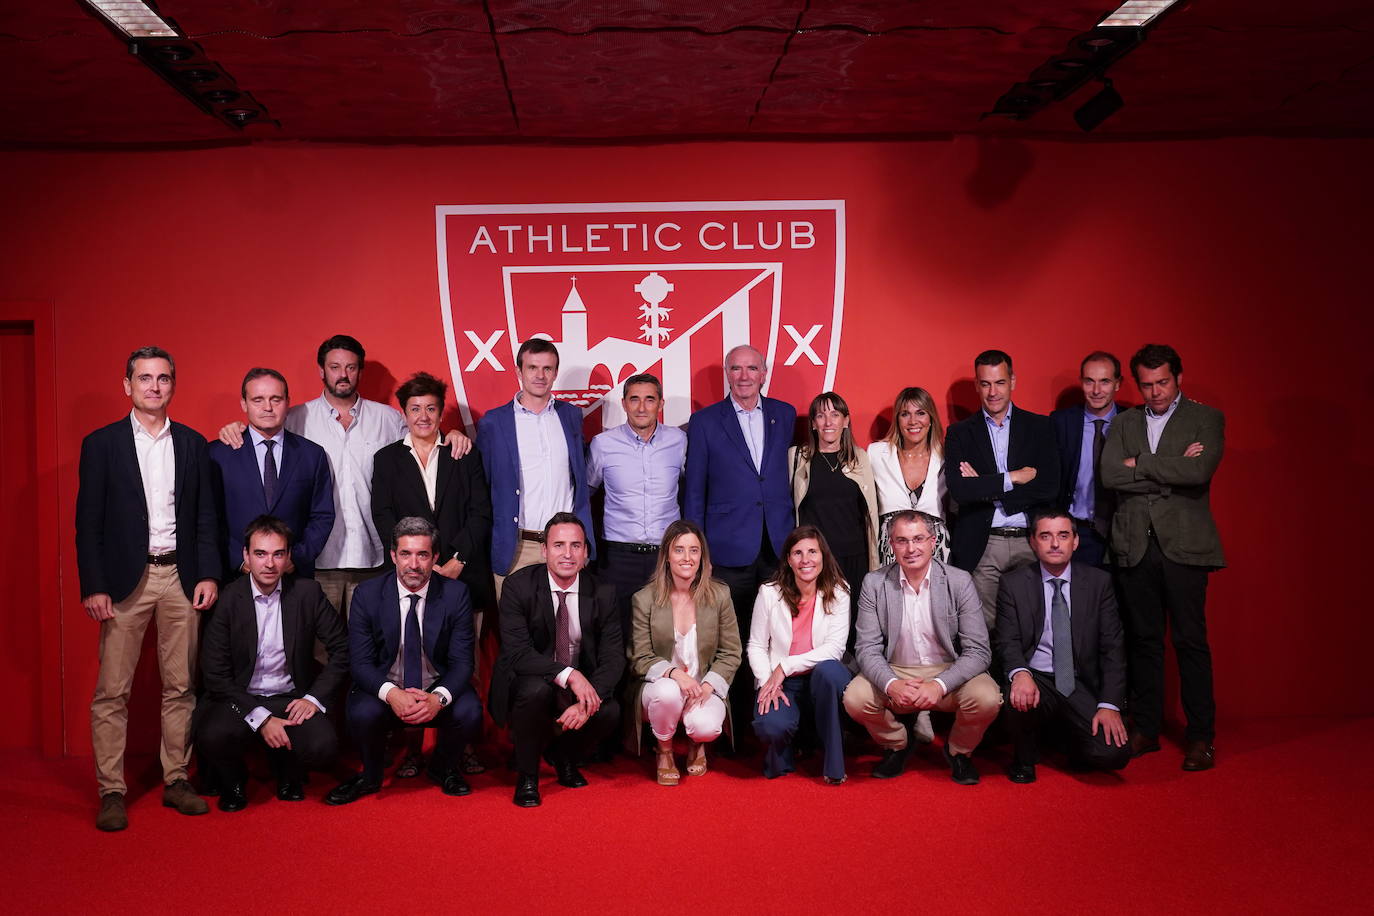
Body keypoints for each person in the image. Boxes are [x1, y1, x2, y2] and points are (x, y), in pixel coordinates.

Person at [215, 335, 472, 617]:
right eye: (335, 367)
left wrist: (453, 435)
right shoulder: (294, 417)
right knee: (320, 649)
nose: (343, 375)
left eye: (351, 367)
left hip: (376, 556)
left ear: (360, 371)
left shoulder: (388, 419)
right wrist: (235, 428)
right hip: (317, 561)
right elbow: (262, 429)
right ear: (321, 371)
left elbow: (423, 445)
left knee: (372, 645)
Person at [77, 346, 221, 831]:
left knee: (180, 686)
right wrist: (94, 585)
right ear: (128, 386)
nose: (154, 387)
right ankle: (111, 791)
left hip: (180, 577)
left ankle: (176, 779)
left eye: (163, 379)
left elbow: (205, 517)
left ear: (172, 386)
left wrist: (206, 574)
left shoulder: (193, 444)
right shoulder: (102, 445)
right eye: (144, 378)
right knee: (112, 692)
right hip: (123, 583)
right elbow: (88, 523)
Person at [1101, 344, 1225, 771]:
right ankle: (1146, 729)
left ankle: (1201, 736)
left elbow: (1198, 472)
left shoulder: (1206, 419)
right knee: (1143, 642)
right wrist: (1168, 466)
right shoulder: (1124, 421)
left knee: (1190, 641)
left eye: (1163, 382)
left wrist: (1142, 464)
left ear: (1179, 378)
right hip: (1134, 544)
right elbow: (1110, 475)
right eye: (1147, 384)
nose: (1154, 392)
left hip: (1185, 546)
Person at [325, 517, 482, 804]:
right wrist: (393, 694)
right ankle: (370, 777)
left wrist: (437, 698)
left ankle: (442, 768)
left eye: (422, 554)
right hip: (388, 686)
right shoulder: (368, 594)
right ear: (393, 556)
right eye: (406, 554)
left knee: (469, 710)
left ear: (435, 557)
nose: (414, 564)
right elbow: (360, 663)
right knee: (362, 712)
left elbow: (462, 663)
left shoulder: (455, 594)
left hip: (435, 684)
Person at [197, 516, 348, 810]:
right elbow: (215, 674)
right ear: (246, 556)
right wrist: (261, 717)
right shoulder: (228, 599)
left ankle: (287, 768)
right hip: (240, 698)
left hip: (289, 697)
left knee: (324, 746)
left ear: (288, 557)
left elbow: (342, 650)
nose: (269, 564)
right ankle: (235, 779)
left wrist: (314, 699)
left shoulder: (307, 593)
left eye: (278, 554)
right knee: (212, 735)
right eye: (260, 554)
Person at [842, 510, 1001, 785]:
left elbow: (978, 651)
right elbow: (867, 648)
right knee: (854, 698)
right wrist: (891, 684)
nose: (911, 548)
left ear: (933, 540)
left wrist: (938, 685)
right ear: (891, 545)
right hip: (895, 670)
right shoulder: (875, 583)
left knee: (988, 698)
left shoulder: (958, 581)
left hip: (948, 670)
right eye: (901, 540)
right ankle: (898, 743)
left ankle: (959, 752)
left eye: (918, 539)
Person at [684, 344, 796, 724]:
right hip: (727, 548)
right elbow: (694, 490)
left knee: (775, 638)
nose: (744, 376)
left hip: (777, 546)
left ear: (764, 373)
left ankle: (772, 717)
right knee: (729, 640)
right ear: (727, 375)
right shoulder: (705, 422)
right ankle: (730, 726)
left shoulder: (784, 415)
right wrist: (698, 549)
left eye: (752, 368)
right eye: (736, 368)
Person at [489, 513, 624, 807]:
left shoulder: (603, 592)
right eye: (559, 545)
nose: (567, 554)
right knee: (536, 690)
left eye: (576, 546)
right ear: (544, 551)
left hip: (576, 683)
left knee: (609, 710)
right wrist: (570, 676)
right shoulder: (518, 587)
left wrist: (589, 699)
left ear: (586, 552)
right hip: (529, 679)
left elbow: (613, 656)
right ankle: (528, 777)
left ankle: (563, 757)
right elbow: (518, 653)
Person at [995, 509, 1130, 783]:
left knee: (1113, 754)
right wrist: (1020, 672)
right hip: (1036, 677)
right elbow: (1006, 640)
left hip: (1078, 680)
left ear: (1075, 542)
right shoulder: (1013, 583)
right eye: (1046, 536)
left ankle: (1068, 743)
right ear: (1033, 542)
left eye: (1063, 536)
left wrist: (1109, 705)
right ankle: (1024, 758)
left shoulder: (1098, 583)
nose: (1055, 544)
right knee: (1016, 692)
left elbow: (1113, 648)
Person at [945, 349, 1060, 629]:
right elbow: (960, 490)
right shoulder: (960, 433)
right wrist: (1014, 477)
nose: (992, 392)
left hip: (1029, 540)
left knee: (1032, 626)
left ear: (1013, 382)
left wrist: (986, 485)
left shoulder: (1040, 426)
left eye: (999, 383)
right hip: (983, 545)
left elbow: (1049, 486)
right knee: (985, 632)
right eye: (985, 384)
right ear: (977, 385)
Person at [627, 520, 741, 785]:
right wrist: (676, 674)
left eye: (694, 550)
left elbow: (731, 652)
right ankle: (664, 750)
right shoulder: (644, 599)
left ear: (702, 557)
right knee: (668, 693)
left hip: (704, 688)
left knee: (706, 727)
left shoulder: (720, 595)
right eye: (679, 550)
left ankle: (696, 743)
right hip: (660, 691)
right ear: (667, 555)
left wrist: (708, 686)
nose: (687, 558)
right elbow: (640, 656)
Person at [477, 338, 594, 594]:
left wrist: (581, 545)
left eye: (547, 369)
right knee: (518, 632)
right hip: (517, 547)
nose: (540, 376)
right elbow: (482, 487)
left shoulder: (571, 416)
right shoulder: (494, 422)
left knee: (567, 630)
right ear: (519, 371)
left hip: (565, 546)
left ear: (555, 373)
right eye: (532, 368)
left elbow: (578, 479)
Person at [747, 526, 851, 785]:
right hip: (782, 683)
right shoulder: (769, 593)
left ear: (823, 556)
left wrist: (785, 665)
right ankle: (792, 744)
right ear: (788, 560)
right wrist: (767, 681)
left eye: (812, 552)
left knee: (830, 670)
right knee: (770, 726)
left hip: (821, 679)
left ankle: (834, 765)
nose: (806, 560)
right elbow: (756, 645)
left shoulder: (840, 591)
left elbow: (834, 649)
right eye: (798, 553)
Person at [207, 368, 334, 580]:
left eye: (276, 399)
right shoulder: (218, 454)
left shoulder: (312, 454)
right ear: (244, 404)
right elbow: (210, 518)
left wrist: (294, 558)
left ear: (287, 403)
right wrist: (240, 560)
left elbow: (322, 515)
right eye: (258, 400)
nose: (268, 407)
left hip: (294, 577)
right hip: (235, 577)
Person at [588, 372, 687, 629]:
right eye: (634, 399)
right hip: (618, 558)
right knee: (617, 633)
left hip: (666, 556)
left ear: (661, 403)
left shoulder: (679, 440)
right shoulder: (603, 444)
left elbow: (693, 490)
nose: (642, 407)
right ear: (623, 404)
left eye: (649, 399)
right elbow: (585, 493)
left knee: (666, 632)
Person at [787, 391, 879, 616]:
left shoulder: (860, 457)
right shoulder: (797, 457)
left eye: (835, 415)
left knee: (853, 623)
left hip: (854, 557)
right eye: (820, 416)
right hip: (816, 560)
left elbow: (870, 512)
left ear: (845, 421)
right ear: (813, 423)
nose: (828, 422)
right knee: (818, 621)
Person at [1050, 351, 1126, 568]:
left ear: (1117, 384)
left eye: (1104, 382)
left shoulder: (1133, 421)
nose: (1096, 390)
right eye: (1089, 381)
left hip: (1121, 533)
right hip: (1075, 534)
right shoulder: (1061, 422)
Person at [868, 386, 950, 565]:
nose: (913, 421)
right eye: (905, 414)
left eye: (920, 413)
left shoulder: (947, 456)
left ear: (931, 419)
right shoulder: (876, 454)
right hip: (892, 549)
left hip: (936, 548)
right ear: (897, 420)